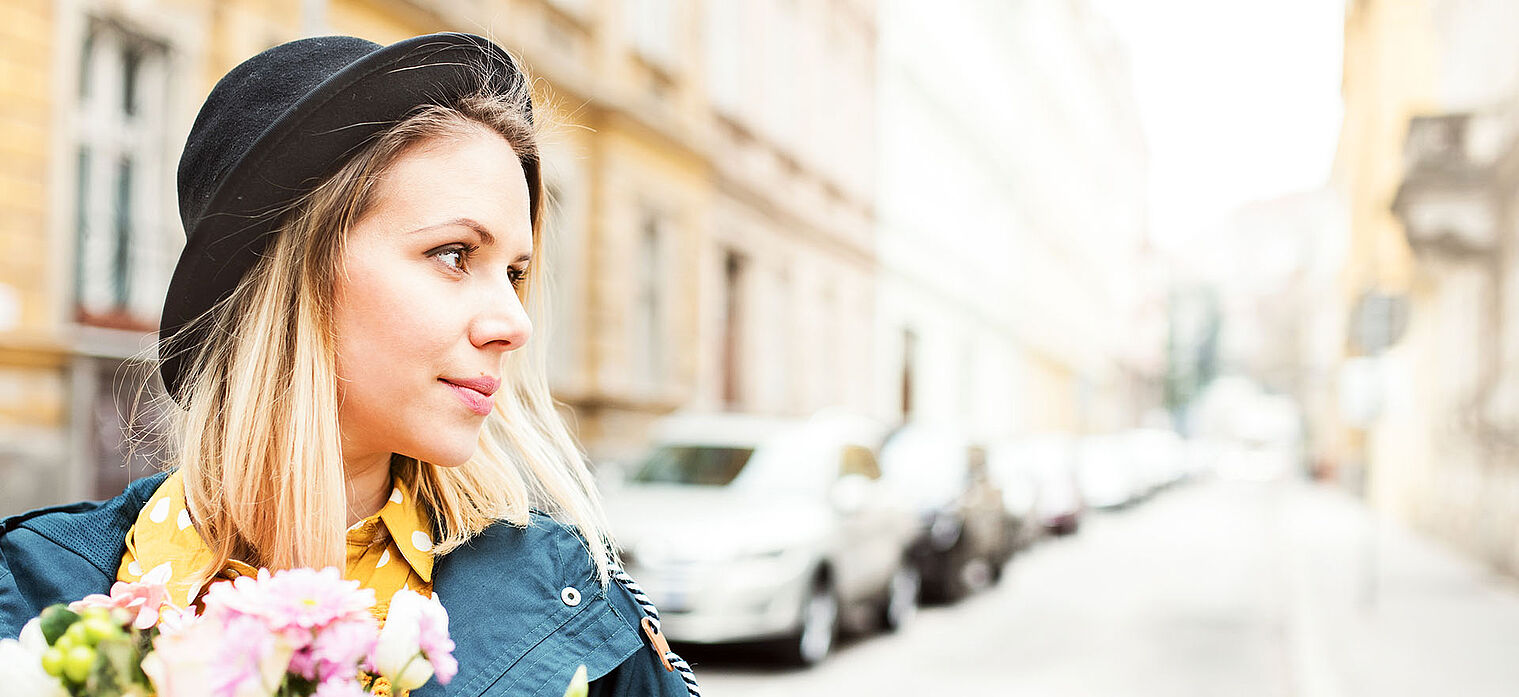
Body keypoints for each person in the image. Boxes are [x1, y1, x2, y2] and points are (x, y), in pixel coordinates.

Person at [0, 32, 699, 696]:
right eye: (455, 254)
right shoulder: (38, 591)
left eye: (513, 273)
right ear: (289, 273)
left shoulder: (568, 600)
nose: (513, 325)